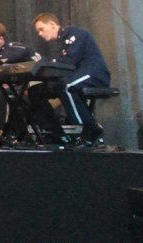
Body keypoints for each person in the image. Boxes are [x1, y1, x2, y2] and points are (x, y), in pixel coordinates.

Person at [30, 13, 111, 146]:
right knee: (35, 91)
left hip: (93, 74)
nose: (39, 34)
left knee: (66, 86)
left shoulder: (77, 34)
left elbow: (69, 62)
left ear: (52, 25)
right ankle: (56, 133)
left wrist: (48, 64)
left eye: (41, 29)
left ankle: (90, 130)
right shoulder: (60, 43)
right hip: (74, 76)